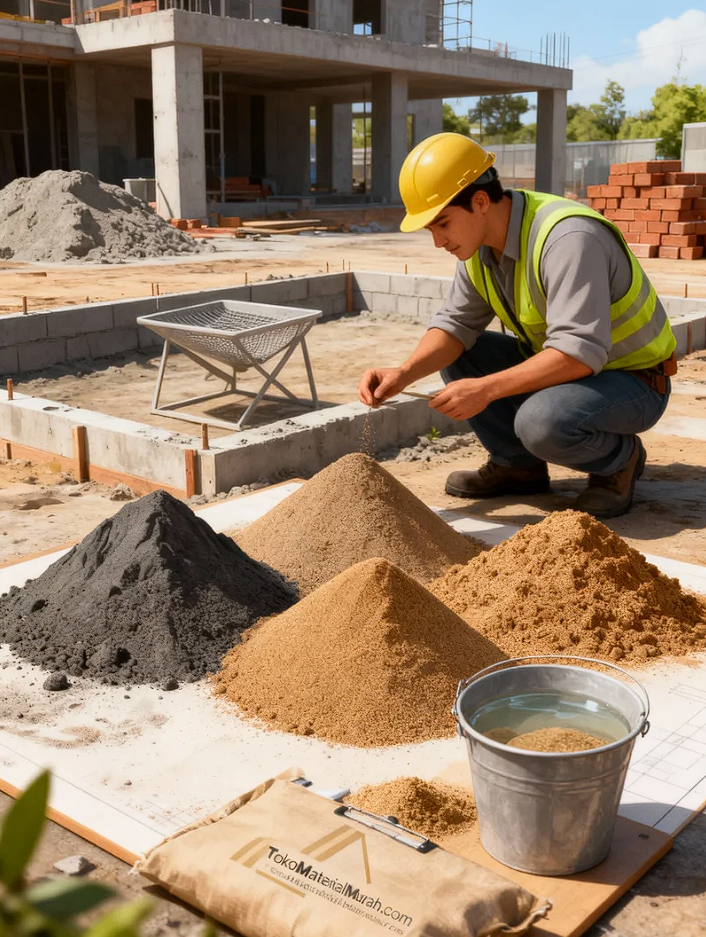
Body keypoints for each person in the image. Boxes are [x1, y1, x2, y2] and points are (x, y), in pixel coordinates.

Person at [358, 133, 677, 518]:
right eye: (430, 230)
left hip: (634, 381)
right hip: (577, 370)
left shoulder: (568, 238)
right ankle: (517, 467)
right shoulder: (477, 250)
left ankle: (619, 462)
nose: (438, 241)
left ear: (480, 202)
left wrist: (485, 389)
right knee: (464, 354)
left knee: (541, 421)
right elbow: (455, 325)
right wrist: (404, 373)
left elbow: (578, 352)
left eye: (442, 224)